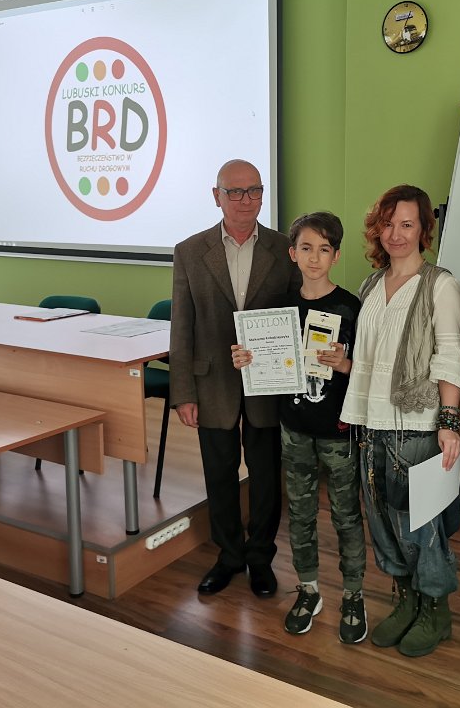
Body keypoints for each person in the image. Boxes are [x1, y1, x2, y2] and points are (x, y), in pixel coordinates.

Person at [339, 184, 460, 658]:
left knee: (419, 525)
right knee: (381, 521)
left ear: (423, 230)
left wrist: (449, 420)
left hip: (416, 426)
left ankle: (435, 609)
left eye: (407, 224)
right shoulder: (370, 286)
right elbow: (368, 360)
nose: (396, 234)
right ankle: (406, 598)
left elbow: (451, 355)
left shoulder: (441, 286)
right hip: (368, 422)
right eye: (388, 224)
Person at [231, 212, 367, 643]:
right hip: (293, 429)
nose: (314, 258)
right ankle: (308, 589)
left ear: (336, 256)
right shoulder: (279, 311)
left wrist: (344, 364)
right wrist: (247, 360)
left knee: (346, 516)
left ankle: (353, 594)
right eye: (306, 248)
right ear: (292, 253)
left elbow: (367, 370)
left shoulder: (351, 307)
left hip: (339, 431)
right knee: (302, 515)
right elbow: (265, 362)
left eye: (324, 249)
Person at [170, 159, 300, 598]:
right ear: (217, 196)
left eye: (254, 190)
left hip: (269, 382)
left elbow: (297, 315)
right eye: (235, 192)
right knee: (219, 475)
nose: (246, 200)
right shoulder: (190, 251)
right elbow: (182, 326)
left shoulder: (285, 249)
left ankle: (260, 557)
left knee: (265, 477)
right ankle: (228, 556)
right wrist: (183, 392)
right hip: (213, 384)